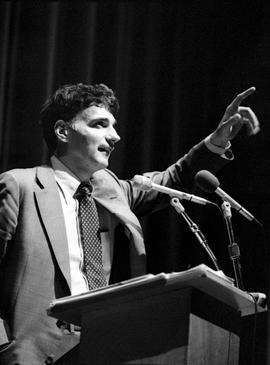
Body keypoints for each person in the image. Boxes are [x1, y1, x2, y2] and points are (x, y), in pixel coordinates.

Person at [0, 83, 260, 364]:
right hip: (32, 355)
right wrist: (5, 348)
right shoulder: (20, 185)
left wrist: (217, 140)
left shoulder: (111, 189)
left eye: (113, 126)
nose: (115, 136)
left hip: (102, 347)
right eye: (100, 124)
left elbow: (175, 178)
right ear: (63, 131)